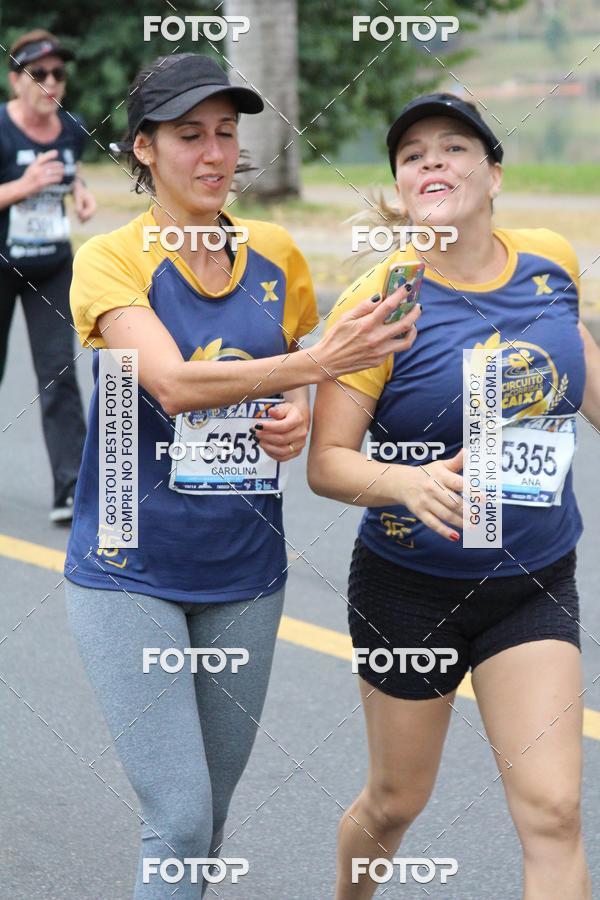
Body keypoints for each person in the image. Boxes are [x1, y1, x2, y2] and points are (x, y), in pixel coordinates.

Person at [63, 53, 420, 899]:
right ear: (143, 148)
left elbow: (291, 380)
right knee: (180, 818)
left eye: (227, 133)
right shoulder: (110, 259)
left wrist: (297, 408)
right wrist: (317, 358)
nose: (215, 154)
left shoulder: (277, 255)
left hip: (246, 575)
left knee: (207, 824)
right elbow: (175, 383)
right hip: (129, 572)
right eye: (190, 136)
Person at [308, 92, 600, 899]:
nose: (432, 161)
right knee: (397, 801)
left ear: (493, 173)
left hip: (532, 581)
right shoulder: (384, 301)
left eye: (455, 147)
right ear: (403, 191)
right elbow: (327, 462)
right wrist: (407, 479)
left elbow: (575, 368)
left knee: (554, 809)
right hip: (411, 592)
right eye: (413, 155)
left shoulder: (549, 260)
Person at [0, 29, 96, 522]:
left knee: (60, 372)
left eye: (58, 74)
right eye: (39, 75)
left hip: (51, 265)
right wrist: (21, 187)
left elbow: (71, 169)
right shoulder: (0, 128)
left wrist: (79, 191)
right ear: (15, 80)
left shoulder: (71, 128)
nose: (51, 84)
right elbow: (28, 183)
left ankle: (71, 489)